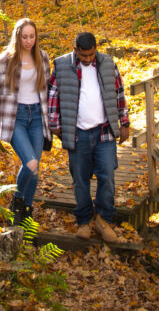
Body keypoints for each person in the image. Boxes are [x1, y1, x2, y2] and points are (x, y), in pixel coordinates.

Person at [48, 32, 130, 242]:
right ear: (76, 50)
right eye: (83, 55)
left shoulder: (108, 63)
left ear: (96, 49)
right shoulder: (62, 65)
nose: (87, 59)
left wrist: (125, 123)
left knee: (107, 177)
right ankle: (84, 221)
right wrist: (56, 126)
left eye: (91, 54)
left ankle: (103, 221)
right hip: (77, 133)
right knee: (80, 180)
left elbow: (119, 92)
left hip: (104, 132)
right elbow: (53, 96)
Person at [0, 18, 52, 225]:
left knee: (35, 168)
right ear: (17, 37)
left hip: (38, 117)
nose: (28, 41)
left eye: (32, 36)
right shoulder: (5, 61)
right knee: (30, 163)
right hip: (15, 117)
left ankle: (25, 213)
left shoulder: (43, 58)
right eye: (24, 37)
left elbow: (49, 92)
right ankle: (17, 201)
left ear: (36, 37)